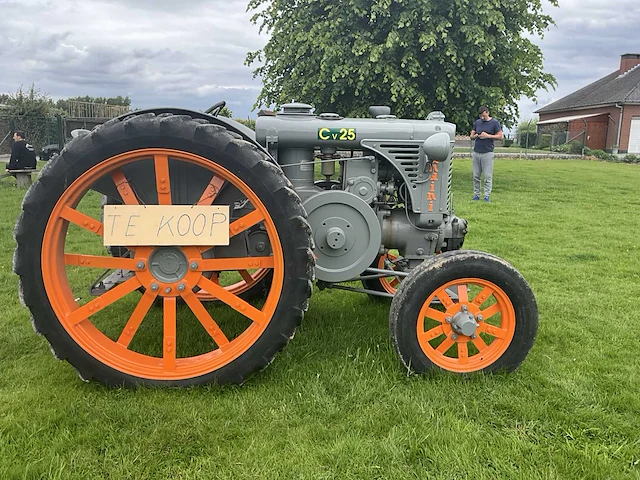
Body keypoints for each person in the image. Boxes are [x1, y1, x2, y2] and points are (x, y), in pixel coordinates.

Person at [470, 106, 502, 202]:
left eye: (484, 116)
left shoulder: (494, 123)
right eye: (481, 116)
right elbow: (471, 135)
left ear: (487, 113)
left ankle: (487, 196)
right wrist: (476, 135)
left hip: (488, 152)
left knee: (487, 176)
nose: (482, 118)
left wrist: (487, 136)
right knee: (476, 175)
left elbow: (500, 136)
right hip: (476, 152)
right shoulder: (478, 122)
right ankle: (476, 195)